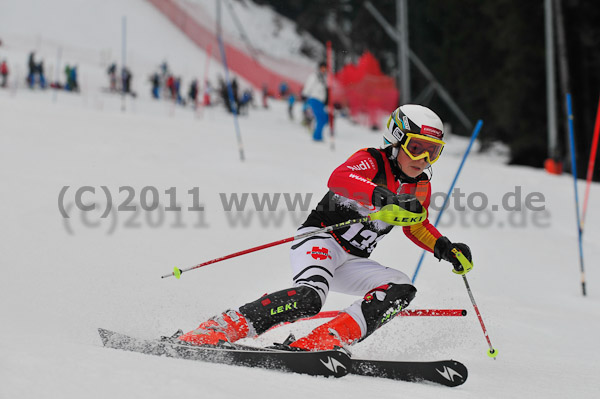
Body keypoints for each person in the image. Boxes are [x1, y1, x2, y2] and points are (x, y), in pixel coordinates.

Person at [178, 104, 473, 352]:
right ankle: (221, 327)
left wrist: (445, 248)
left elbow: (416, 226)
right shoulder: (372, 160)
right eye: (416, 148)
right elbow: (339, 178)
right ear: (396, 140)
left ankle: (324, 340)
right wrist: (378, 194)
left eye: (432, 153)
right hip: (321, 240)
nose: (423, 160)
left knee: (402, 287)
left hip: (354, 260)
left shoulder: (421, 185)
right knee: (310, 298)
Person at [301, 61, 329, 142]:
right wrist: (304, 94)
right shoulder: (315, 76)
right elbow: (309, 85)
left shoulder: (325, 77)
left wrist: (326, 100)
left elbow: (325, 90)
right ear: (319, 68)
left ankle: (317, 134)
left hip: (321, 101)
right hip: (314, 98)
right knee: (321, 118)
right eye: (322, 67)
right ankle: (317, 137)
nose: (324, 69)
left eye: (325, 68)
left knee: (324, 119)